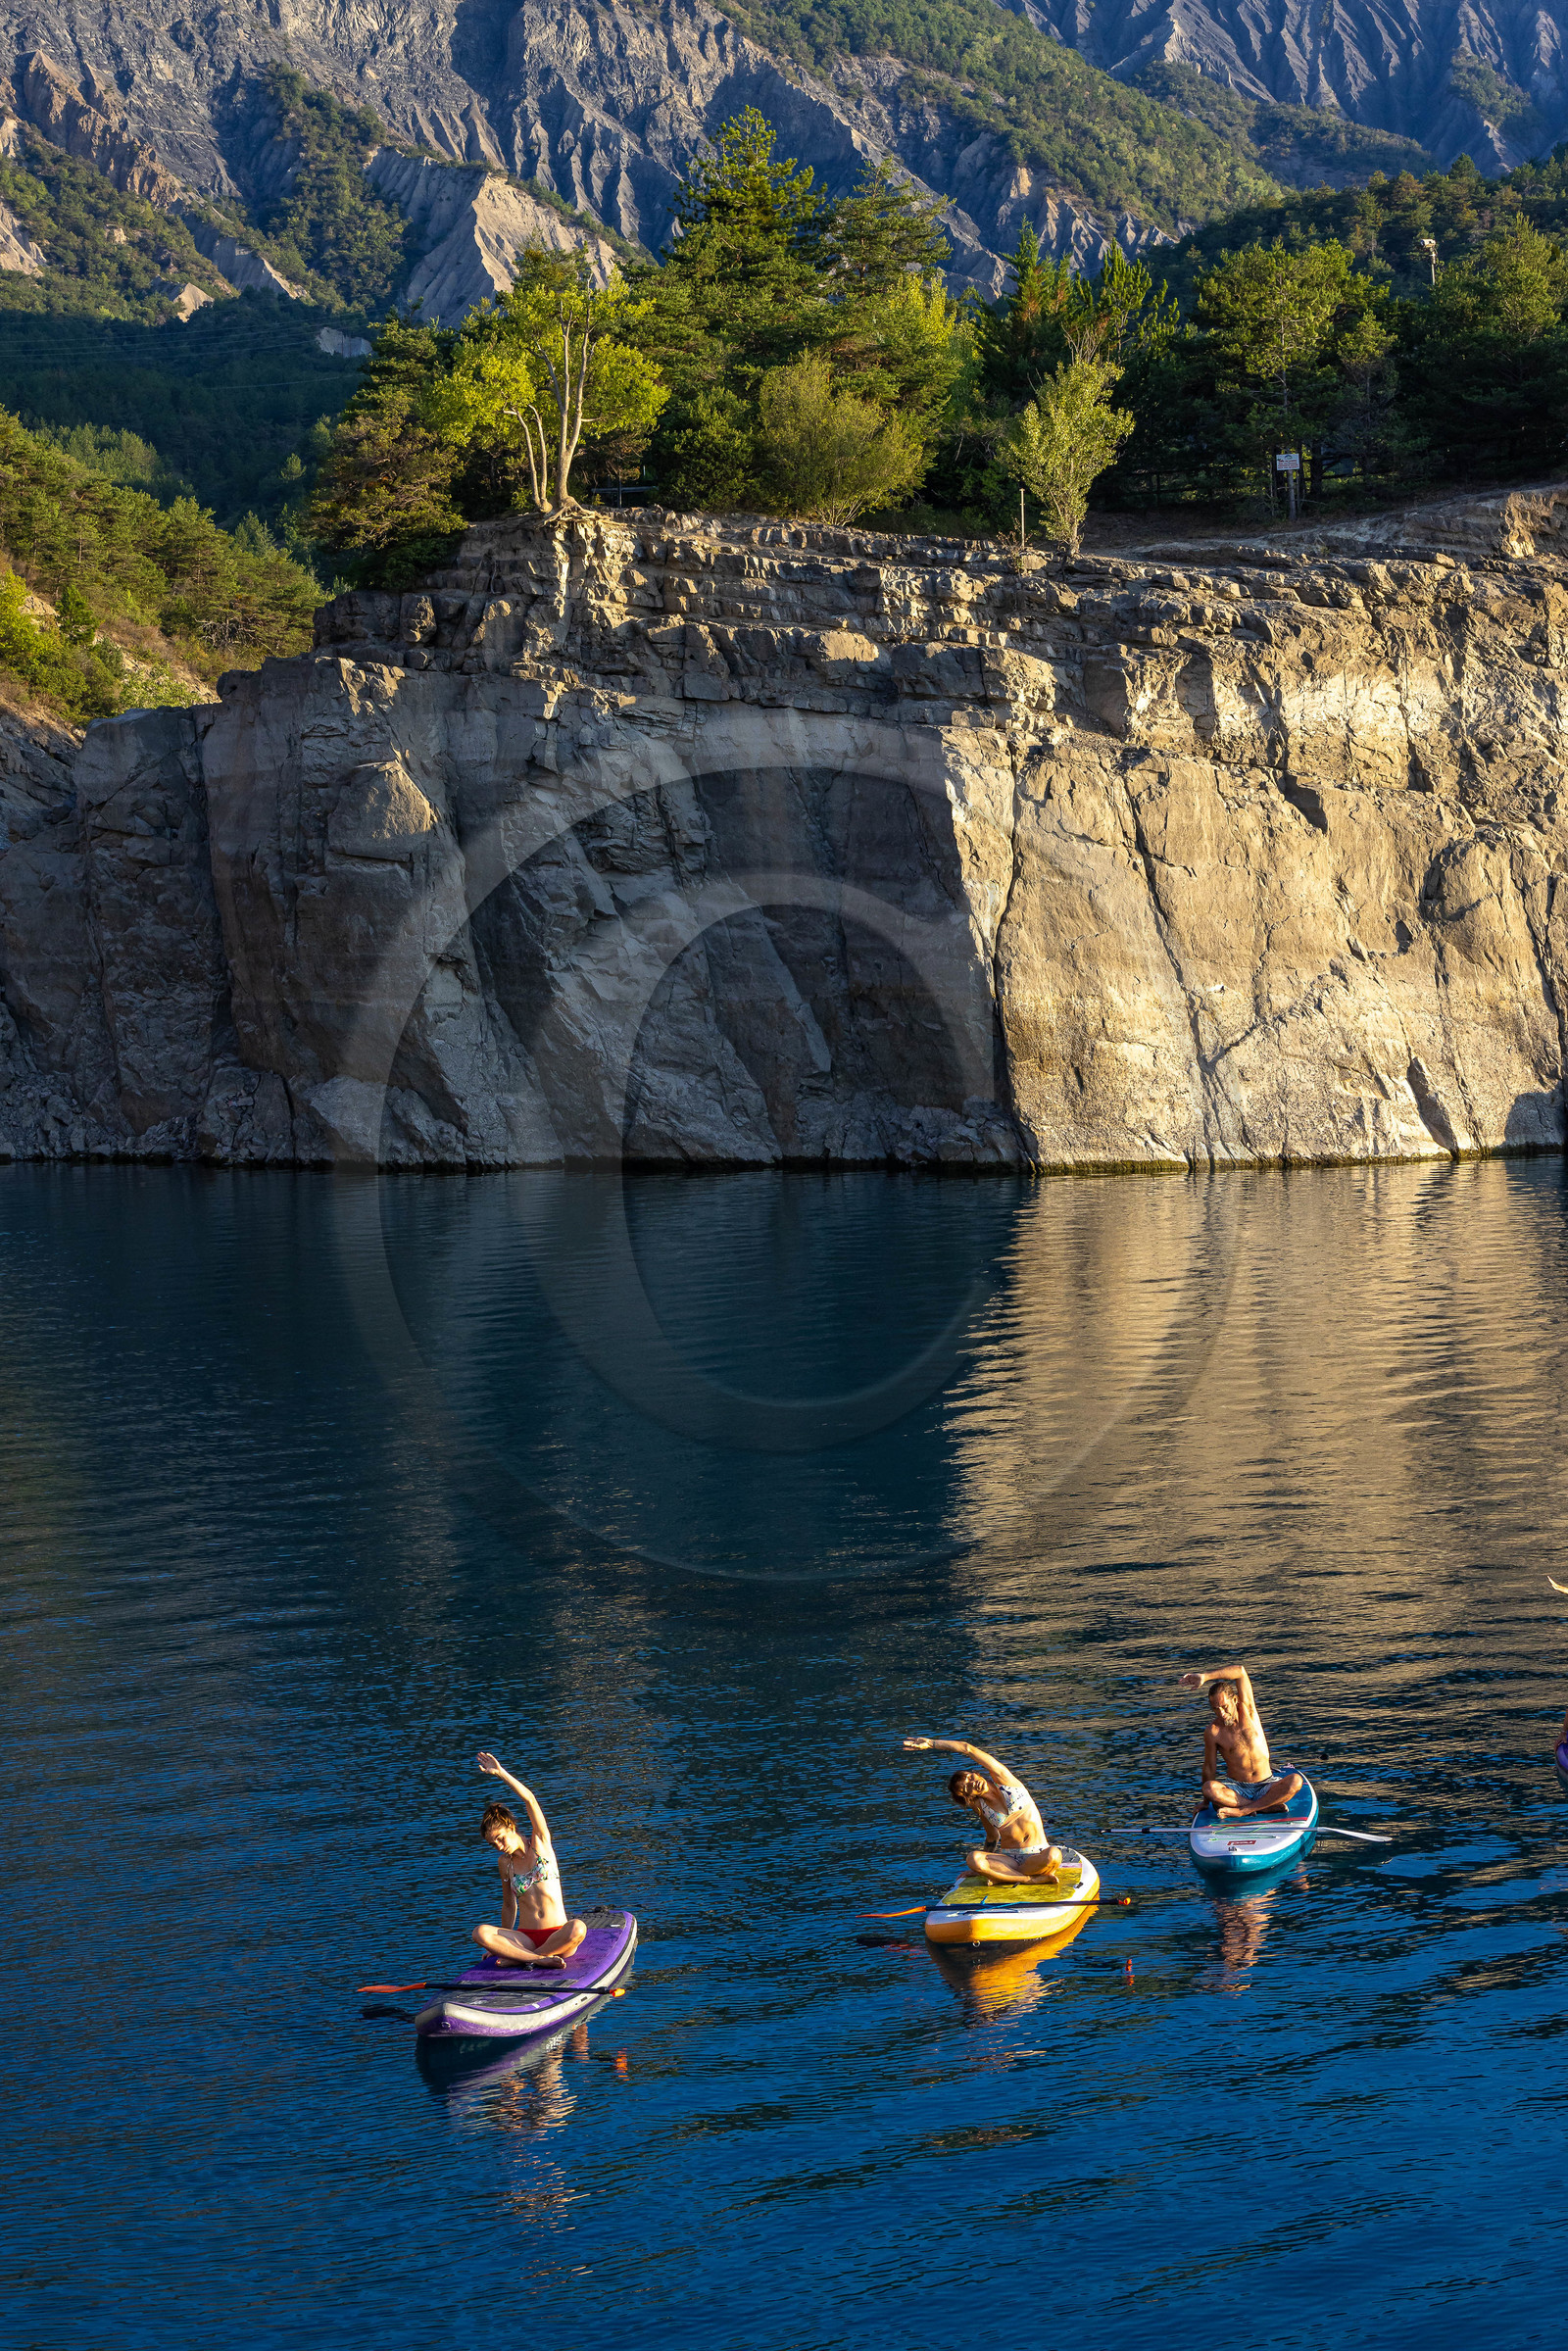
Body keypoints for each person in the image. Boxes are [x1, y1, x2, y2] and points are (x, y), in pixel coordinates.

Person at [472, 1749, 587, 1970]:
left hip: (558, 1934)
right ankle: (537, 1959)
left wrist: (501, 1773)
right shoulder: (505, 1864)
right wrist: (497, 1946)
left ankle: (524, 1958)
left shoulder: (540, 1843)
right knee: (480, 1932)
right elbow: (508, 1905)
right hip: (525, 1937)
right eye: (492, 1844)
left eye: (499, 1838)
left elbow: (530, 1799)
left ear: (511, 1827)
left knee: (578, 1928)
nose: (498, 1845)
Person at [902, 1734, 1062, 1881]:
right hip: (1010, 1860)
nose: (972, 1783)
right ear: (968, 1796)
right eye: (967, 1788)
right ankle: (1029, 1880)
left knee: (1053, 1855)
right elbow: (992, 1838)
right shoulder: (982, 1808)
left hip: (1038, 1854)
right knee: (973, 1858)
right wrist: (980, 1868)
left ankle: (1008, 1877)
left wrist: (931, 1743)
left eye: (970, 1777)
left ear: (976, 1773)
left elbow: (968, 1748)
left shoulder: (1005, 1780)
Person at [1179, 1666, 1303, 1819]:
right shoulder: (1213, 1731)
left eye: (1225, 1707)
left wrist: (1205, 1677)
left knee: (1295, 1781)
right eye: (1216, 1709)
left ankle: (1243, 1810)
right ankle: (1264, 1807)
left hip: (1267, 1784)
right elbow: (1209, 1767)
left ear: (1235, 1700)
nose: (1222, 1714)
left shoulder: (1248, 1711)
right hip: (1237, 1789)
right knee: (1209, 1789)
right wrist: (1206, 1801)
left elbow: (1240, 1671)